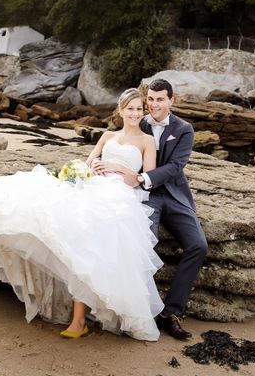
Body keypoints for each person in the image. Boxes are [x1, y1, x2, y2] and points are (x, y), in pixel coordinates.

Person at [0, 88, 164, 341]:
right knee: (55, 216)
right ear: (121, 110)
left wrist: (117, 167)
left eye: (139, 109)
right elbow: (87, 163)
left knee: (89, 237)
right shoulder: (107, 136)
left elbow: (146, 178)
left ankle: (79, 319)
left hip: (121, 194)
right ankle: (77, 316)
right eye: (130, 108)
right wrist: (89, 169)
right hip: (94, 186)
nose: (135, 113)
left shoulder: (147, 141)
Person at [96, 78, 208, 340]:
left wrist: (142, 178)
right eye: (151, 99)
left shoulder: (184, 129)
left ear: (171, 100)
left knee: (198, 245)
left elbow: (175, 166)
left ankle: (172, 313)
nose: (154, 104)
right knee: (141, 244)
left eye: (160, 99)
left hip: (173, 194)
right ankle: (137, 309)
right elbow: (115, 145)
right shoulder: (139, 119)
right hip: (143, 195)